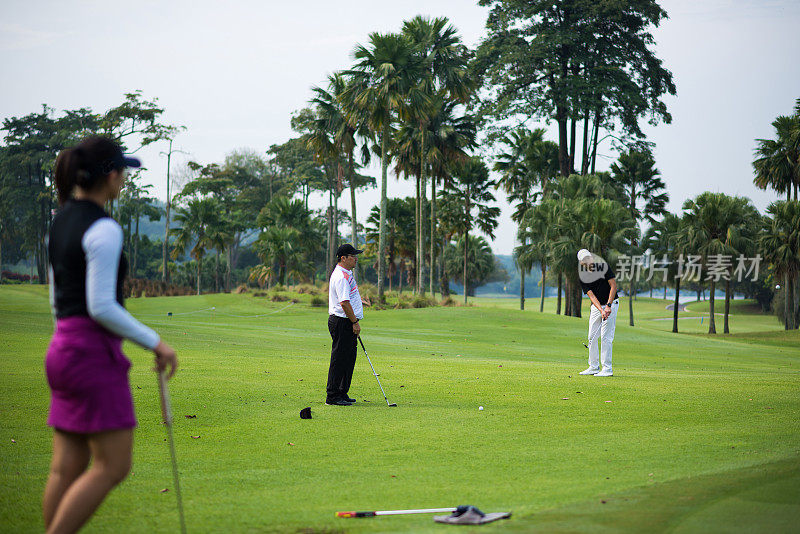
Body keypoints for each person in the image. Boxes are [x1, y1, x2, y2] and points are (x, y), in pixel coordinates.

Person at [43, 136, 178, 534]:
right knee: (113, 465)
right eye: (122, 171)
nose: (124, 179)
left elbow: (58, 301)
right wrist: (157, 342)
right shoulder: (104, 227)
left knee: (65, 467)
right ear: (110, 175)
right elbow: (101, 305)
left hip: (62, 349)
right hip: (90, 353)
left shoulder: (59, 222)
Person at [326, 244, 364, 406]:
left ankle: (342, 392)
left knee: (349, 359)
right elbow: (344, 302)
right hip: (343, 322)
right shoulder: (341, 276)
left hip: (346, 321)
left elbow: (349, 298)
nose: (356, 258)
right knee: (339, 359)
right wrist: (354, 322)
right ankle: (332, 396)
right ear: (343, 258)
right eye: (353, 256)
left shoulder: (346, 273)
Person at [577, 248, 618, 377]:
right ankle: (593, 366)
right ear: (581, 263)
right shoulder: (583, 276)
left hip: (612, 303)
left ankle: (607, 368)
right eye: (584, 260)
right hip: (597, 306)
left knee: (606, 337)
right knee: (592, 336)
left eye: (588, 258)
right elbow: (592, 296)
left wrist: (608, 306)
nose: (588, 261)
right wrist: (601, 309)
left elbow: (613, 286)